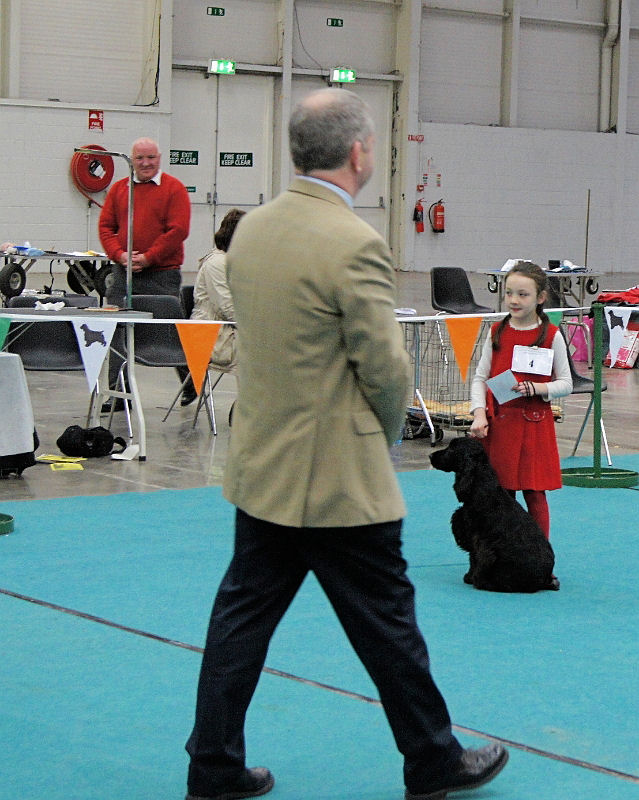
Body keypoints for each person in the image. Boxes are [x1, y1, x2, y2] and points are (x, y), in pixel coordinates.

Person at [184, 88, 508, 800]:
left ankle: (211, 767)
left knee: (239, 625)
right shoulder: (355, 241)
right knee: (388, 626)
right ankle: (430, 759)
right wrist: (381, 435)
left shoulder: (253, 232)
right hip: (339, 481)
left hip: (262, 469)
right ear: (359, 153)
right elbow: (385, 370)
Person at [470, 260, 572, 581]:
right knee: (501, 496)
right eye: (510, 293)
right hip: (499, 426)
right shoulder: (496, 331)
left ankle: (541, 565)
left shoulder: (552, 336)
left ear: (541, 298)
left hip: (534, 426)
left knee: (534, 494)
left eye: (523, 294)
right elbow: (480, 377)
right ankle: (501, 559)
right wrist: (477, 413)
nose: (514, 300)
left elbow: (566, 383)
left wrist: (538, 387)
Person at [98, 137, 192, 408]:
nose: (145, 163)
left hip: (162, 274)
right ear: (132, 160)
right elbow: (106, 228)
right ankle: (118, 393)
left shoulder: (174, 189)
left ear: (160, 158)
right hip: (122, 273)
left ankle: (192, 381)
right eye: (139, 158)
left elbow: (178, 230)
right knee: (116, 331)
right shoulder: (119, 190)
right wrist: (120, 255)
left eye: (150, 157)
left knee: (171, 331)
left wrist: (149, 258)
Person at [190, 207, 245, 370]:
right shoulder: (217, 264)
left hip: (226, 331)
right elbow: (228, 307)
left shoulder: (232, 262)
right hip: (212, 336)